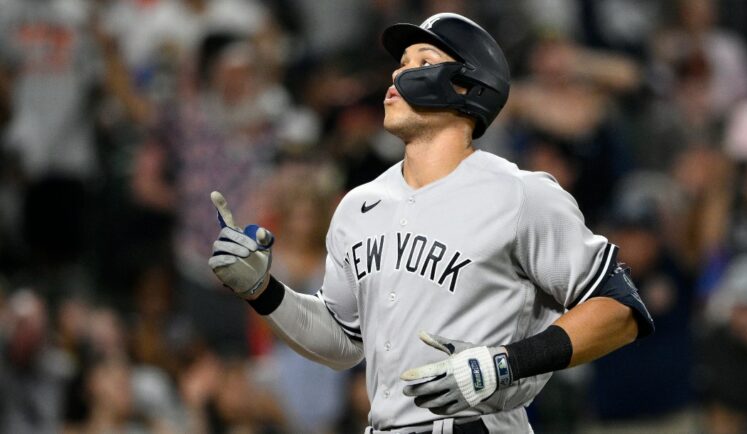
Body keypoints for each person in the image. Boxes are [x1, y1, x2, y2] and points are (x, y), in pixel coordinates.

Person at [208, 13, 654, 433]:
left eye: (423, 62)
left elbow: (619, 308)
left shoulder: (521, 194)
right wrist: (264, 291)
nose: (399, 75)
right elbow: (343, 342)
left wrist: (507, 363)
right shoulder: (358, 206)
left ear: (467, 88)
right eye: (401, 64)